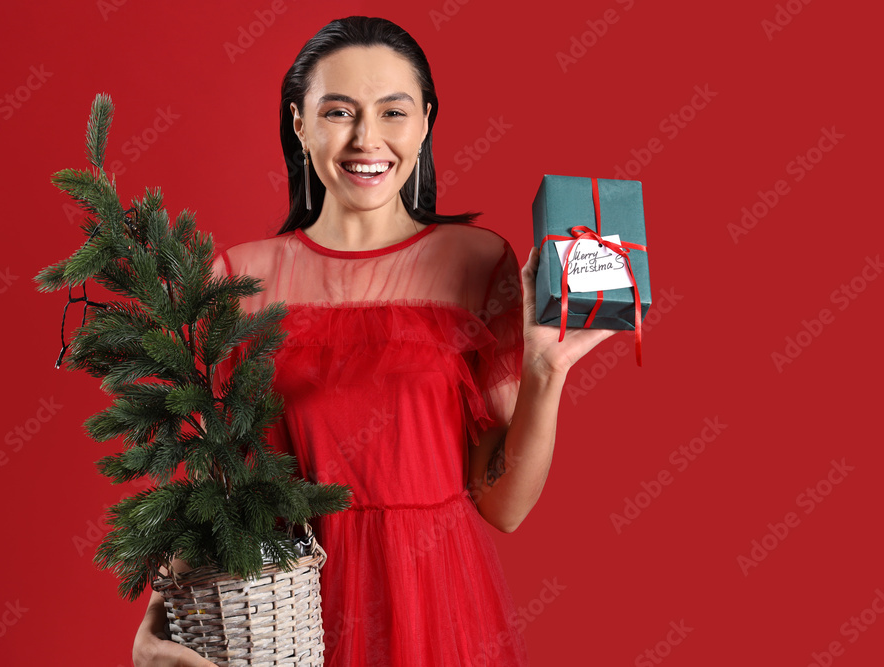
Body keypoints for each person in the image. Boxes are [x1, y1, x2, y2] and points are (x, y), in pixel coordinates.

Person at [133, 15, 615, 667]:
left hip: (439, 607)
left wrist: (546, 370)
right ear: (298, 123)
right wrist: (157, 623)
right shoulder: (238, 278)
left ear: (424, 123)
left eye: (393, 111)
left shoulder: (478, 263)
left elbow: (504, 506)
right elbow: (217, 493)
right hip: (286, 612)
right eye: (338, 111)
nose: (367, 138)